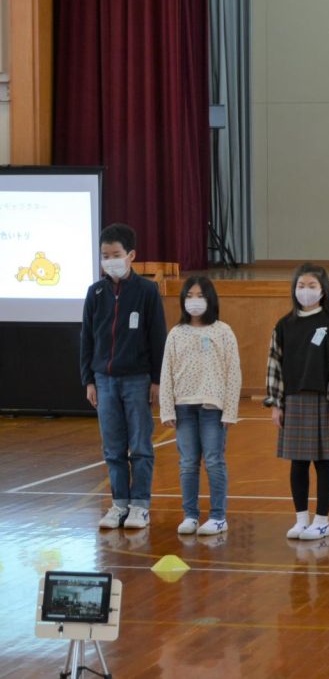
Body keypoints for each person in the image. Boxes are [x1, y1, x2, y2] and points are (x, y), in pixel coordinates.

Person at [81, 223, 166, 530]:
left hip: (137, 379)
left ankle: (140, 505)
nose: (110, 260)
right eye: (104, 255)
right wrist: (88, 379)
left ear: (131, 255)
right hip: (104, 380)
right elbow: (87, 339)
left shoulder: (147, 291)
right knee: (113, 447)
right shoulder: (96, 293)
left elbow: (158, 337)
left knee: (140, 445)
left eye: (115, 254)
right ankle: (119, 503)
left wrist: (156, 381)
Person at [265, 263, 329, 540]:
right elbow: (274, 365)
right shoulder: (284, 325)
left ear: (323, 291)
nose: (305, 291)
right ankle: (301, 519)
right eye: (301, 285)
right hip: (292, 399)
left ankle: (322, 520)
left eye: (312, 286)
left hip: (323, 402)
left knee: (324, 462)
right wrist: (276, 403)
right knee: (298, 462)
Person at [159, 276, 242, 536]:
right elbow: (166, 373)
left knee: (215, 461)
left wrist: (230, 410)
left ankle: (218, 516)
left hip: (212, 408)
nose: (195, 301)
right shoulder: (176, 333)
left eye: (200, 295)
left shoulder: (223, 331)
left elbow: (234, 373)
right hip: (183, 406)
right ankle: (190, 515)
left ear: (211, 299)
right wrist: (166, 409)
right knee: (187, 463)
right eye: (190, 296)